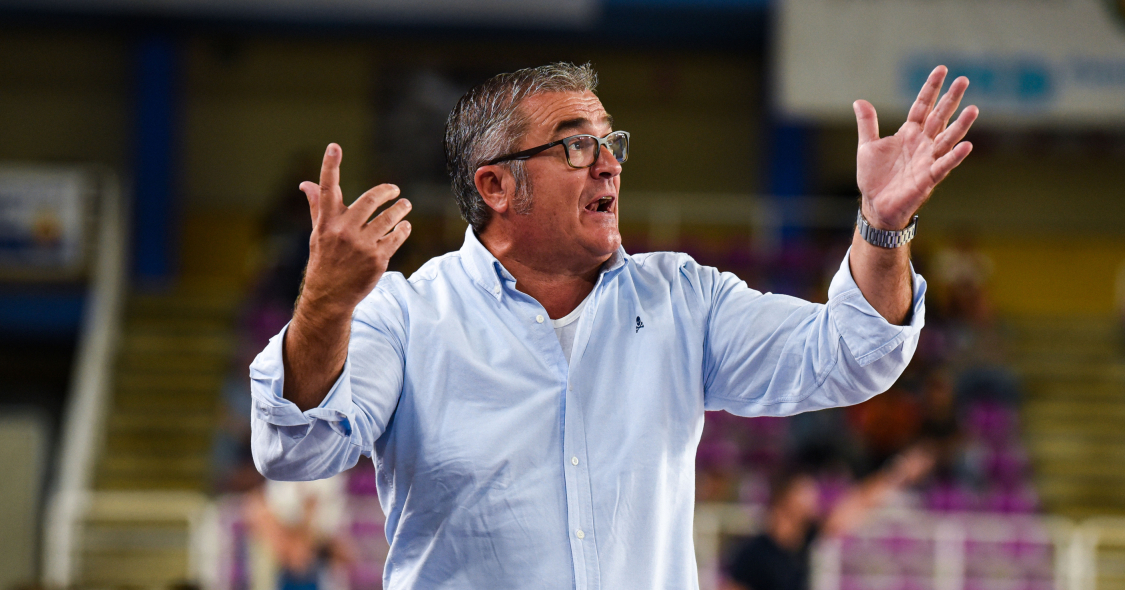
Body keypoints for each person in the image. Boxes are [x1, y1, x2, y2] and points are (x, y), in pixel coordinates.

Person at [249, 63, 977, 588]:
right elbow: (295, 447)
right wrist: (325, 305)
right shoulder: (406, 316)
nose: (609, 165)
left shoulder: (682, 301)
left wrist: (882, 227)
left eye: (611, 142)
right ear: (496, 185)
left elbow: (854, 354)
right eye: (575, 144)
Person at [725, 446, 935, 590]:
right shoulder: (752, 553)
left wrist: (899, 472)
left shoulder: (805, 539)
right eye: (805, 492)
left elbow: (859, 502)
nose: (814, 497)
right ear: (784, 499)